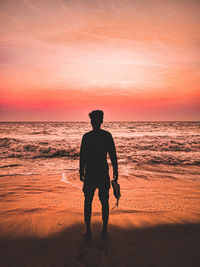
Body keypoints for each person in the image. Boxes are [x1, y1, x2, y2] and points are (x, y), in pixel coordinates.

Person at [79, 110, 118, 239]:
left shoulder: (87, 136)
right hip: (102, 171)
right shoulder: (107, 135)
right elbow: (113, 155)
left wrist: (81, 170)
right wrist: (116, 171)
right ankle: (104, 228)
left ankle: (88, 229)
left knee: (88, 201)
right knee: (104, 201)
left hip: (90, 171)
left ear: (91, 121)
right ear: (101, 121)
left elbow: (82, 156)